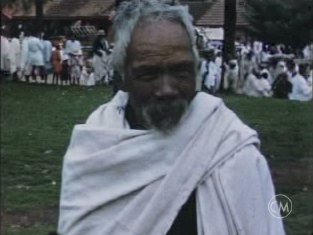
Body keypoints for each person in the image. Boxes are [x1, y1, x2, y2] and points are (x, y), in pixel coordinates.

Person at [57, 1, 286, 235]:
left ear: (195, 68)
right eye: (149, 73)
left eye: (180, 71)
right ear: (123, 77)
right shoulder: (94, 151)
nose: (166, 89)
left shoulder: (232, 148)